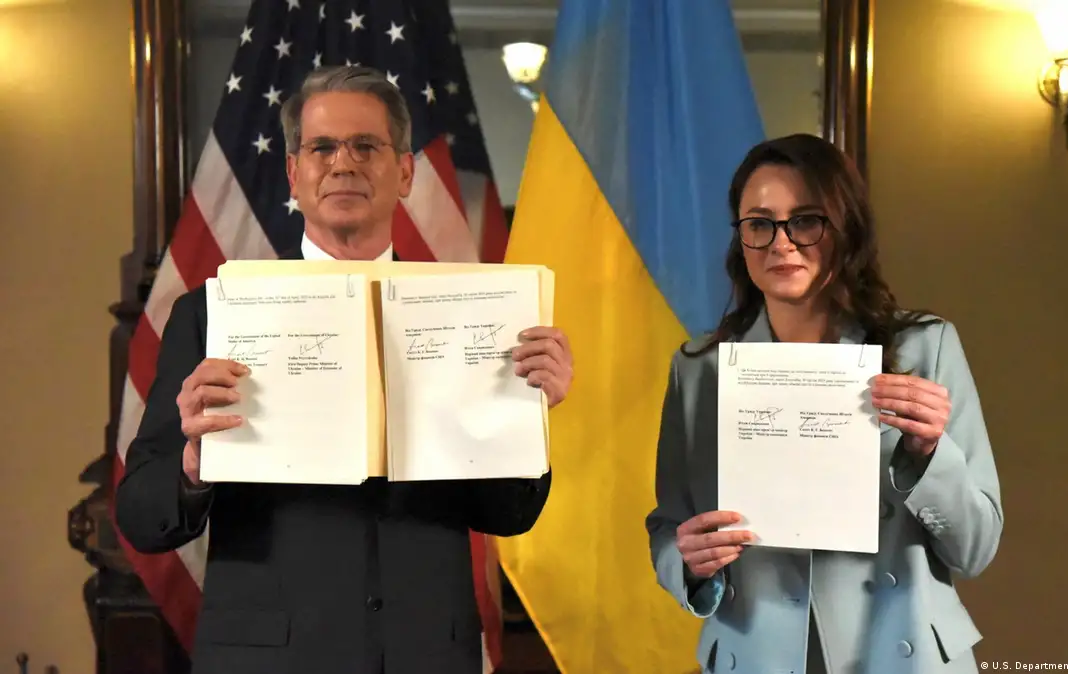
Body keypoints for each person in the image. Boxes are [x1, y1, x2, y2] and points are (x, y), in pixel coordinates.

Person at [115, 66, 573, 674]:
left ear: (404, 172)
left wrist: (526, 418)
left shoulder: (472, 312)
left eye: (366, 146)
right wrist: (194, 462)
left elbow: (508, 515)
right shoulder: (211, 313)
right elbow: (142, 518)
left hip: (428, 655)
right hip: (270, 661)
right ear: (293, 173)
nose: (343, 164)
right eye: (322, 147)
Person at [645, 133, 1002, 674]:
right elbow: (669, 526)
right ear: (740, 239)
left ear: (845, 228)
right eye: (759, 224)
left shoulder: (924, 348)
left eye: (806, 221)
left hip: (901, 652)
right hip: (756, 654)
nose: (781, 243)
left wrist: (930, 454)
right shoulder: (699, 369)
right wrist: (689, 564)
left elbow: (975, 550)